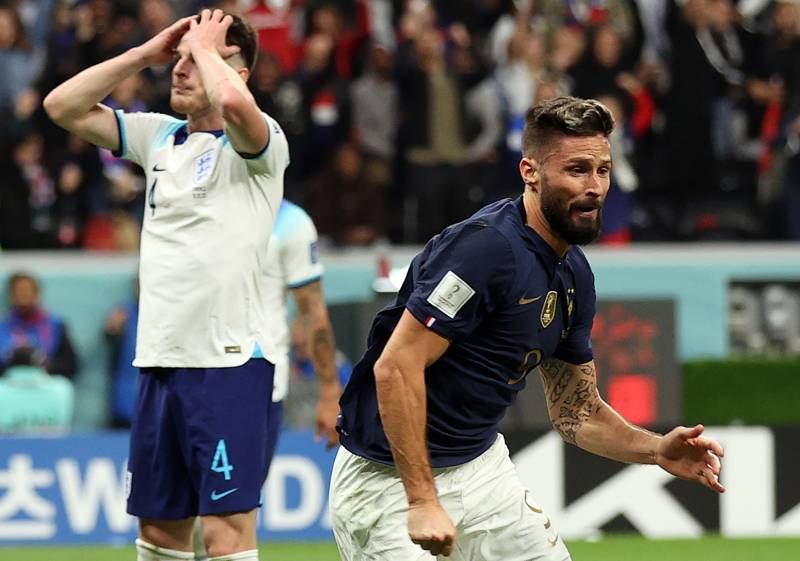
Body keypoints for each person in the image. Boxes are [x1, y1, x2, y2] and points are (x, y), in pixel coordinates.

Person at [330, 96, 726, 560]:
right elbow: (396, 366)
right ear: (530, 173)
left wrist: (656, 449)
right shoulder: (484, 250)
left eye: (602, 169)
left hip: (481, 469)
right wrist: (422, 501)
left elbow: (576, 412)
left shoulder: (573, 273)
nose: (596, 186)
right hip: (390, 483)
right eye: (577, 169)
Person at [44, 9, 294, 561]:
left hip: (227, 364)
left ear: (240, 72)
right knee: (159, 535)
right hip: (158, 362)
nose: (182, 70)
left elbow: (232, 106)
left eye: (199, 59)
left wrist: (204, 47)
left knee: (226, 534)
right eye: (178, 60)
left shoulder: (262, 144)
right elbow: (60, 106)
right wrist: (141, 53)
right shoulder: (157, 136)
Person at [0, 272, 78, 379]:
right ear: (11, 295)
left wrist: (46, 366)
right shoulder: (2, 328)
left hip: (45, 385)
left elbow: (70, 364)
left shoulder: (56, 325)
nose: (24, 295)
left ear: (37, 294)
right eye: (18, 290)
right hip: (10, 386)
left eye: (28, 290)